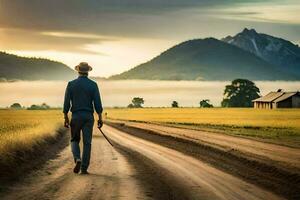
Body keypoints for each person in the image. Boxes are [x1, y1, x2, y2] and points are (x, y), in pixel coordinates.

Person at [63, 62, 103, 174]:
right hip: (88, 117)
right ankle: (84, 168)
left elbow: (66, 103)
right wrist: (100, 118)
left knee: (74, 140)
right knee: (87, 143)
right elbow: (97, 103)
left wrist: (65, 116)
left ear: (78, 71)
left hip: (76, 116)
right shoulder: (93, 85)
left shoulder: (71, 84)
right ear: (88, 72)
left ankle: (77, 158)